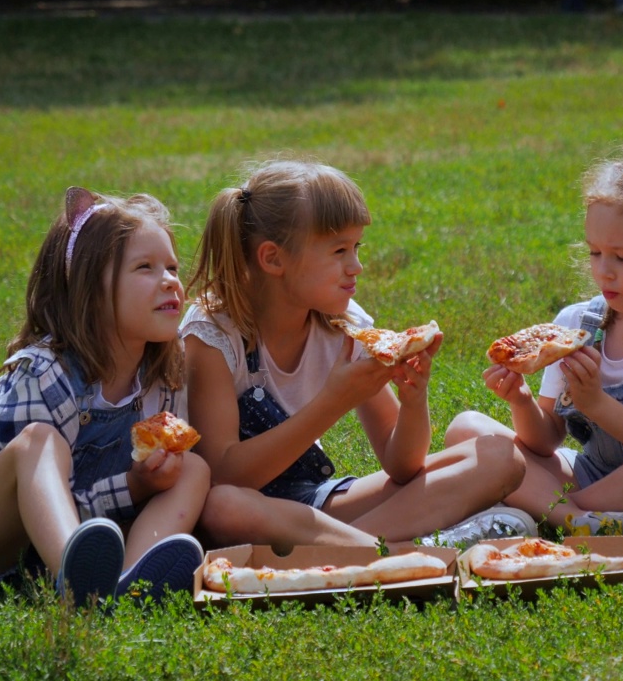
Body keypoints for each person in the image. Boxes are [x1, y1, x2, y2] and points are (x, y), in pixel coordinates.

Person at [0, 188, 211, 607]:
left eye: (172, 267)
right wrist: (131, 487)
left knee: (193, 468)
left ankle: (127, 582)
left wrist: (151, 481)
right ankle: (78, 585)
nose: (169, 280)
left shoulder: (162, 375)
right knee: (39, 442)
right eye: (145, 267)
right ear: (88, 290)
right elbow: (44, 500)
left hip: (76, 539)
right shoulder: (46, 373)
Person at [182, 159, 533, 551]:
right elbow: (225, 474)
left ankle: (358, 549)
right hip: (247, 510)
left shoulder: (344, 326)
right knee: (223, 507)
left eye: (356, 247)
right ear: (273, 258)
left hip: (317, 507)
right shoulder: (214, 333)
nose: (357, 266)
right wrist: (334, 401)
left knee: (502, 458)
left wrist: (414, 399)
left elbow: (401, 465)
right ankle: (397, 550)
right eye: (339, 250)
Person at [445, 147, 623, 537]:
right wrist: (520, 400)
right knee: (467, 430)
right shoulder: (576, 324)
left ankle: (555, 511)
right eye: (595, 253)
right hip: (591, 476)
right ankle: (585, 521)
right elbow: (546, 438)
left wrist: (596, 404)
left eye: (622, 258)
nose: (604, 271)